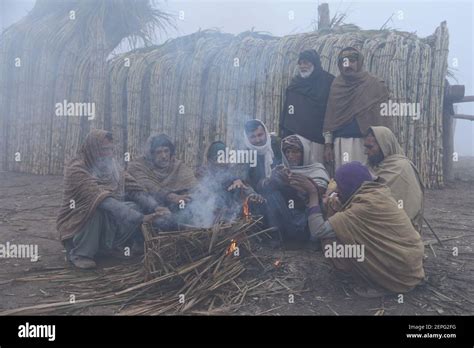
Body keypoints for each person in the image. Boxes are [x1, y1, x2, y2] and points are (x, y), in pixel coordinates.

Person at [298, 161, 424, 296]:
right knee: (337, 215)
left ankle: (381, 284)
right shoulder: (376, 194)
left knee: (332, 241)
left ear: (349, 185)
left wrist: (312, 194)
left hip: (400, 274)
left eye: (339, 186)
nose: (337, 190)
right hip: (410, 266)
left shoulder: (363, 207)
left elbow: (318, 231)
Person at [56, 130, 170, 269]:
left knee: (134, 206)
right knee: (95, 210)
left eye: (110, 149)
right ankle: (81, 254)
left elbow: (133, 189)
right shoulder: (77, 169)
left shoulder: (113, 167)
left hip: (106, 215)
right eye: (104, 150)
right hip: (79, 222)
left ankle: (105, 248)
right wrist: (141, 218)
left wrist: (155, 207)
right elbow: (103, 200)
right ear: (93, 149)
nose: (109, 154)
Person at [323, 47, 392, 173]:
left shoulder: (374, 84)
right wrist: (328, 145)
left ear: (359, 62)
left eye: (352, 61)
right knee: (345, 178)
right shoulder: (337, 85)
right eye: (344, 62)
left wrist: (380, 144)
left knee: (366, 178)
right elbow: (330, 117)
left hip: (365, 144)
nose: (348, 65)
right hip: (341, 144)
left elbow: (383, 117)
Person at [262, 134, 329, 243]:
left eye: (295, 152)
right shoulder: (282, 170)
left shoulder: (317, 170)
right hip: (288, 220)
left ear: (304, 153)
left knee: (321, 201)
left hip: (309, 223)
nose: (290, 156)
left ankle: (314, 242)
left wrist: (292, 184)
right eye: (287, 152)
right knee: (272, 195)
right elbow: (263, 186)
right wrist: (273, 180)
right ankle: (277, 237)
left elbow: (319, 193)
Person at [364, 126, 424, 231]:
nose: (366, 152)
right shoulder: (371, 164)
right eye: (366, 147)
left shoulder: (401, 168)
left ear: (384, 146)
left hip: (399, 230)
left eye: (370, 147)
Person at [280, 49, 334, 164]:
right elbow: (287, 114)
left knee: (316, 172)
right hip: (297, 140)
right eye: (300, 63)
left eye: (306, 62)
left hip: (318, 140)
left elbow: (332, 112)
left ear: (315, 63)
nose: (302, 66)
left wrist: (328, 143)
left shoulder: (327, 82)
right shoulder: (295, 85)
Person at [194, 140, 264, 222]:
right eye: (218, 158)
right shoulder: (201, 176)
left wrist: (252, 196)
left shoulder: (232, 177)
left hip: (231, 222)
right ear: (210, 161)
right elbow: (196, 201)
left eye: (225, 157)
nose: (223, 162)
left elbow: (246, 190)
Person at [127, 134, 198, 213]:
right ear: (151, 154)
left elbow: (195, 187)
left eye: (166, 151)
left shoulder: (177, 166)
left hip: (173, 207)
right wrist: (172, 197)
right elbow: (150, 187)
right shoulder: (138, 166)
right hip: (148, 208)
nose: (164, 156)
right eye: (159, 152)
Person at [243, 119, 281, 192]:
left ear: (265, 133)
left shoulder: (277, 145)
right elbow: (245, 180)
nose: (258, 140)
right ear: (247, 138)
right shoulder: (245, 153)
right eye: (252, 137)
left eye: (260, 135)